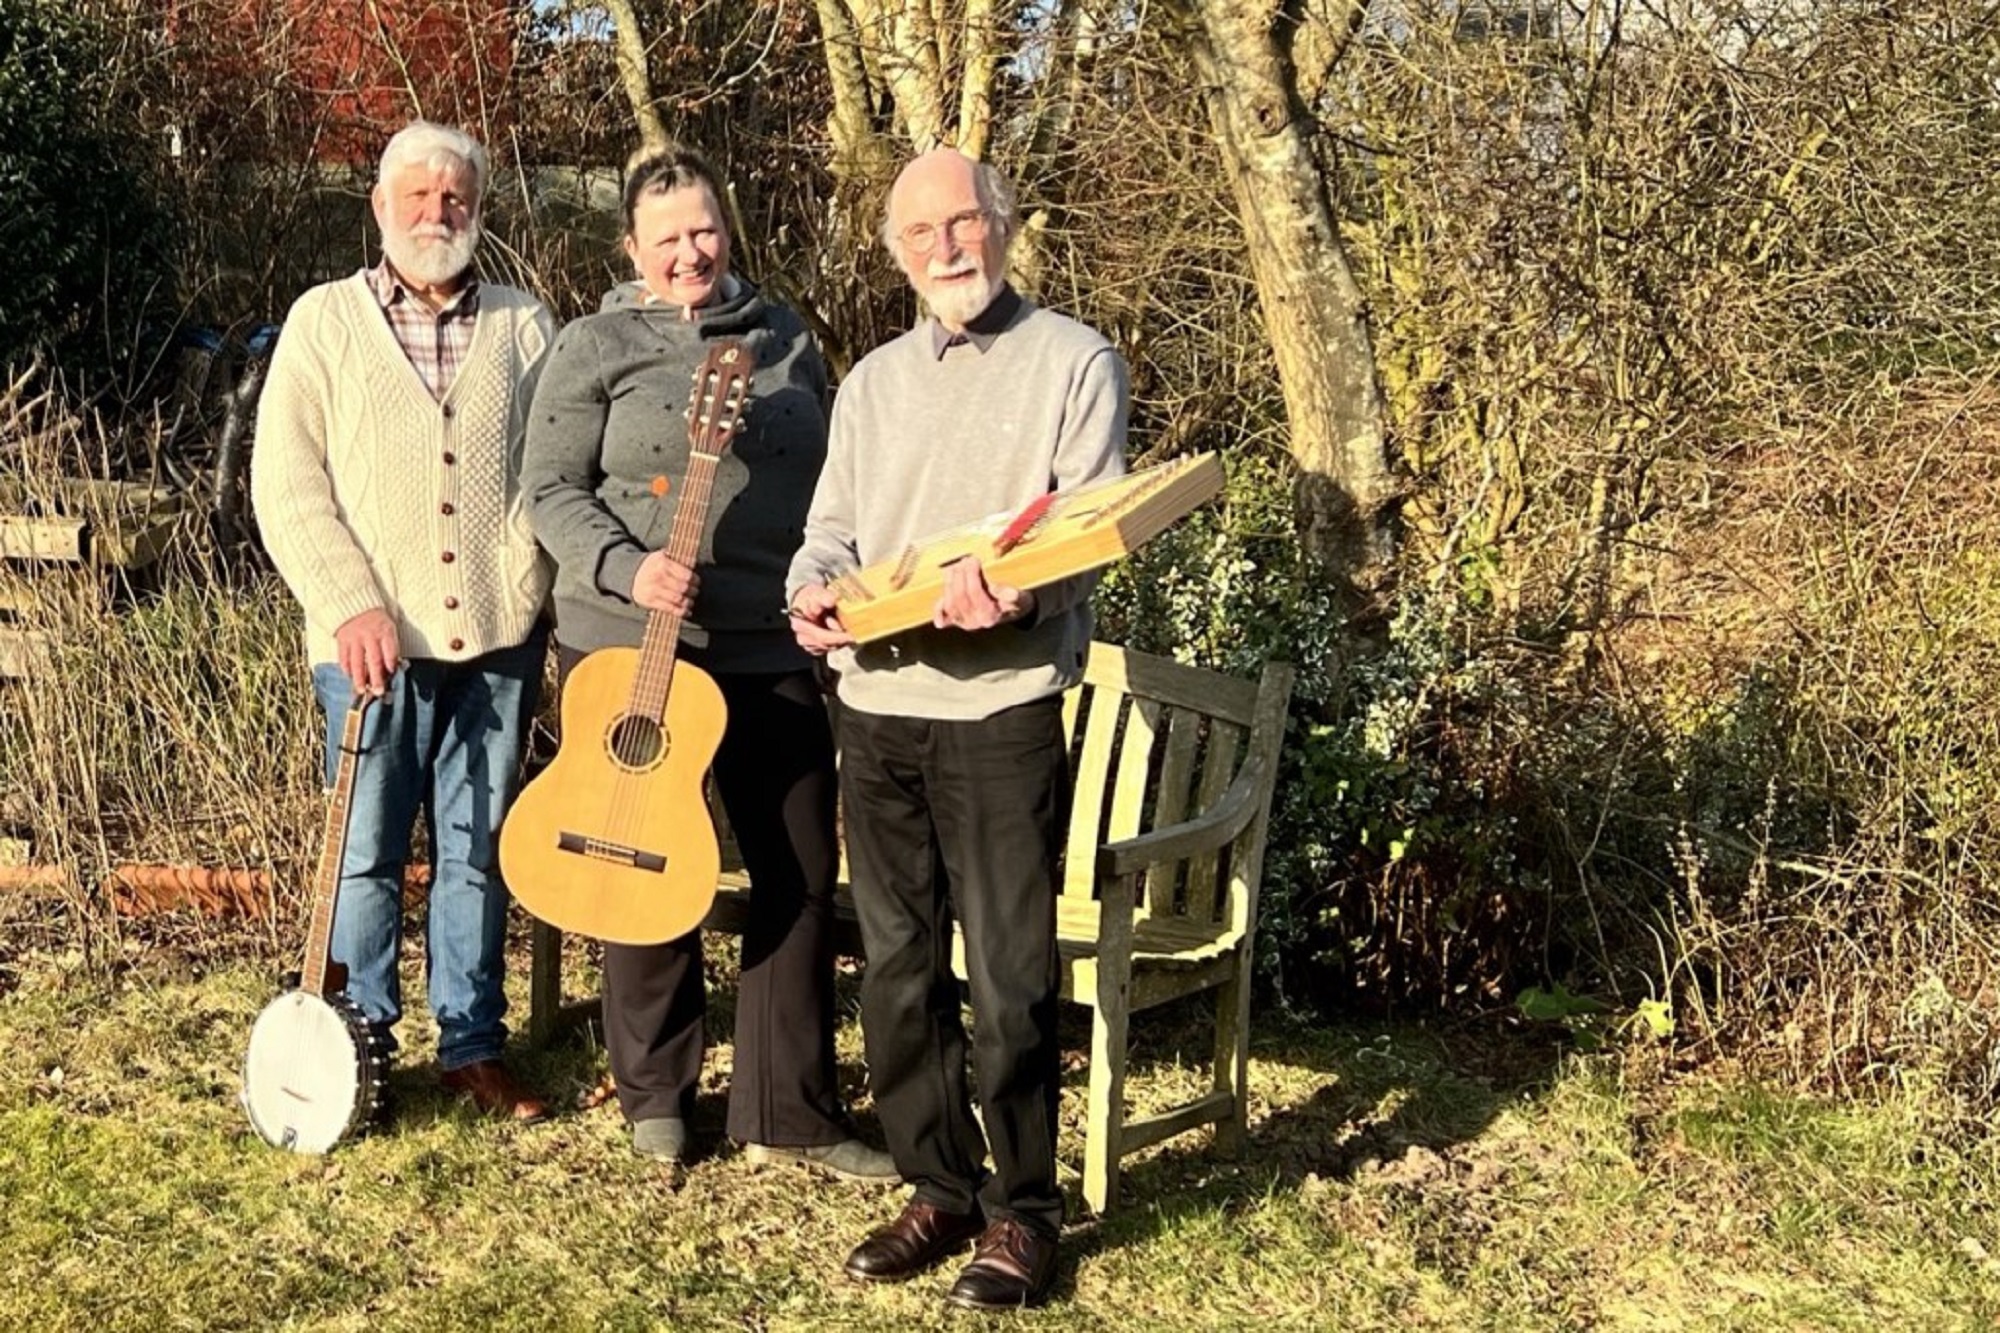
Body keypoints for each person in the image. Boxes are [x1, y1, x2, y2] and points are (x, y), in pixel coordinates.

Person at [786, 149, 1129, 1311]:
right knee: (893, 969)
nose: (947, 245)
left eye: (966, 221)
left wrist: (1017, 596)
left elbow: (1083, 532)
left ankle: (1024, 1213)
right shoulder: (871, 383)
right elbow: (829, 529)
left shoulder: (1073, 361)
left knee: (1013, 984)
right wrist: (807, 590)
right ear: (896, 253)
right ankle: (936, 1184)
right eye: (922, 230)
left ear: (1004, 225)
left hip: (999, 715)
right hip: (875, 712)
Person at [521, 143, 894, 1181]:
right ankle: (655, 1091)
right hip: (630, 644)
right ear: (630, 247)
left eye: (704, 231)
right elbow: (547, 487)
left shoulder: (783, 338)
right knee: (638, 856)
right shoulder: (593, 345)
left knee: (799, 869)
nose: (689, 253)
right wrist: (627, 568)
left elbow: (836, 482)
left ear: (726, 230)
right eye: (666, 238)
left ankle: (790, 1107)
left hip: (767, 639)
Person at [251, 120, 553, 1123]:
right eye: (417, 196)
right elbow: (286, 486)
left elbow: (552, 472)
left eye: (455, 197)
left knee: (479, 850)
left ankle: (472, 1044)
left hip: (497, 648)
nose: (437, 213)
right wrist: (348, 602)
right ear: (380, 209)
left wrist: (530, 586)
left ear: (478, 209)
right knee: (366, 855)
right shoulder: (323, 323)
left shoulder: (521, 324)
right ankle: (362, 1046)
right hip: (366, 650)